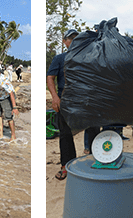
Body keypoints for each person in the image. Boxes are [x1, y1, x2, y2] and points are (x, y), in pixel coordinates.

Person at [47, 29, 79, 180]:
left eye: (75, 38)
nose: (72, 41)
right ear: (64, 41)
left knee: (92, 129)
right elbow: (50, 78)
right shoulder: (59, 58)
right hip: (64, 100)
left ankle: (93, 162)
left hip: (83, 101)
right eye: (70, 38)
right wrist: (54, 97)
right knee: (65, 134)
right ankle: (66, 165)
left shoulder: (85, 57)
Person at [0, 65, 18, 141]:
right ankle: (0, 133)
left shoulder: (4, 80)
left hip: (8, 96)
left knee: (9, 116)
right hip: (0, 96)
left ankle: (13, 136)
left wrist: (14, 107)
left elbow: (11, 93)